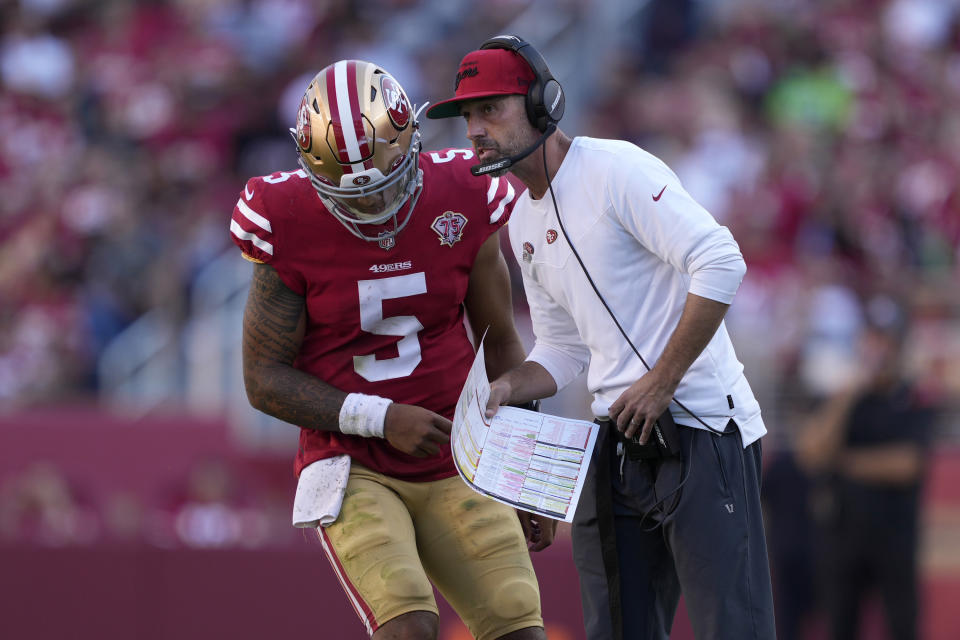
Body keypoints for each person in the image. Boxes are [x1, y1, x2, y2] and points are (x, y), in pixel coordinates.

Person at [427, 36, 776, 639]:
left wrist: (661, 381)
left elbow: (722, 261)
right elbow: (562, 348)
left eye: (491, 109)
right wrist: (506, 387)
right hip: (614, 443)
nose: (475, 129)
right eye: (468, 116)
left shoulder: (616, 167)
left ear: (543, 105)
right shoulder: (520, 220)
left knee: (733, 630)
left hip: (701, 429)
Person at [230, 59, 552, 640]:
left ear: (413, 142)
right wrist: (380, 418)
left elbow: (500, 343)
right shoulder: (286, 216)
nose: (370, 209)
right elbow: (263, 377)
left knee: (517, 622)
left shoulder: (463, 192)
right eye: (348, 195)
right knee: (408, 623)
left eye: (384, 184)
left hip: (461, 451)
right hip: (352, 462)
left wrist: (523, 472)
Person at [795, 299, 933, 640]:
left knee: (903, 626)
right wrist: (850, 393)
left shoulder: (914, 397)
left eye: (885, 340)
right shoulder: (842, 395)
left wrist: (843, 461)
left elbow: (907, 464)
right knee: (840, 626)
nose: (877, 349)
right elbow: (810, 452)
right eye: (871, 339)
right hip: (843, 537)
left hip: (895, 538)